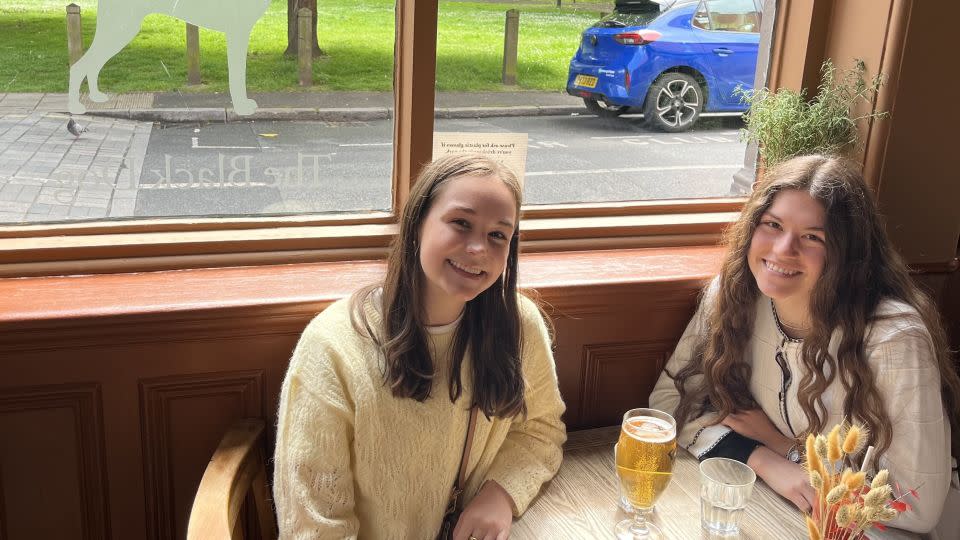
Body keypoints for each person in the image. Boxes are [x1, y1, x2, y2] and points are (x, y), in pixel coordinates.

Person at [649, 154, 960, 533]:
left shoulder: (893, 339)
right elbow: (669, 405)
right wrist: (759, 456)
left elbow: (918, 502)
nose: (782, 249)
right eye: (773, 225)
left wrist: (788, 450)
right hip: (779, 506)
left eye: (813, 237)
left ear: (849, 255)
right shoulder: (732, 294)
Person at [273, 154, 567, 540]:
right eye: (461, 223)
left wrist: (500, 494)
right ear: (416, 226)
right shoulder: (332, 348)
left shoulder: (519, 326)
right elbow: (314, 525)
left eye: (498, 235)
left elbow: (542, 429)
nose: (478, 248)